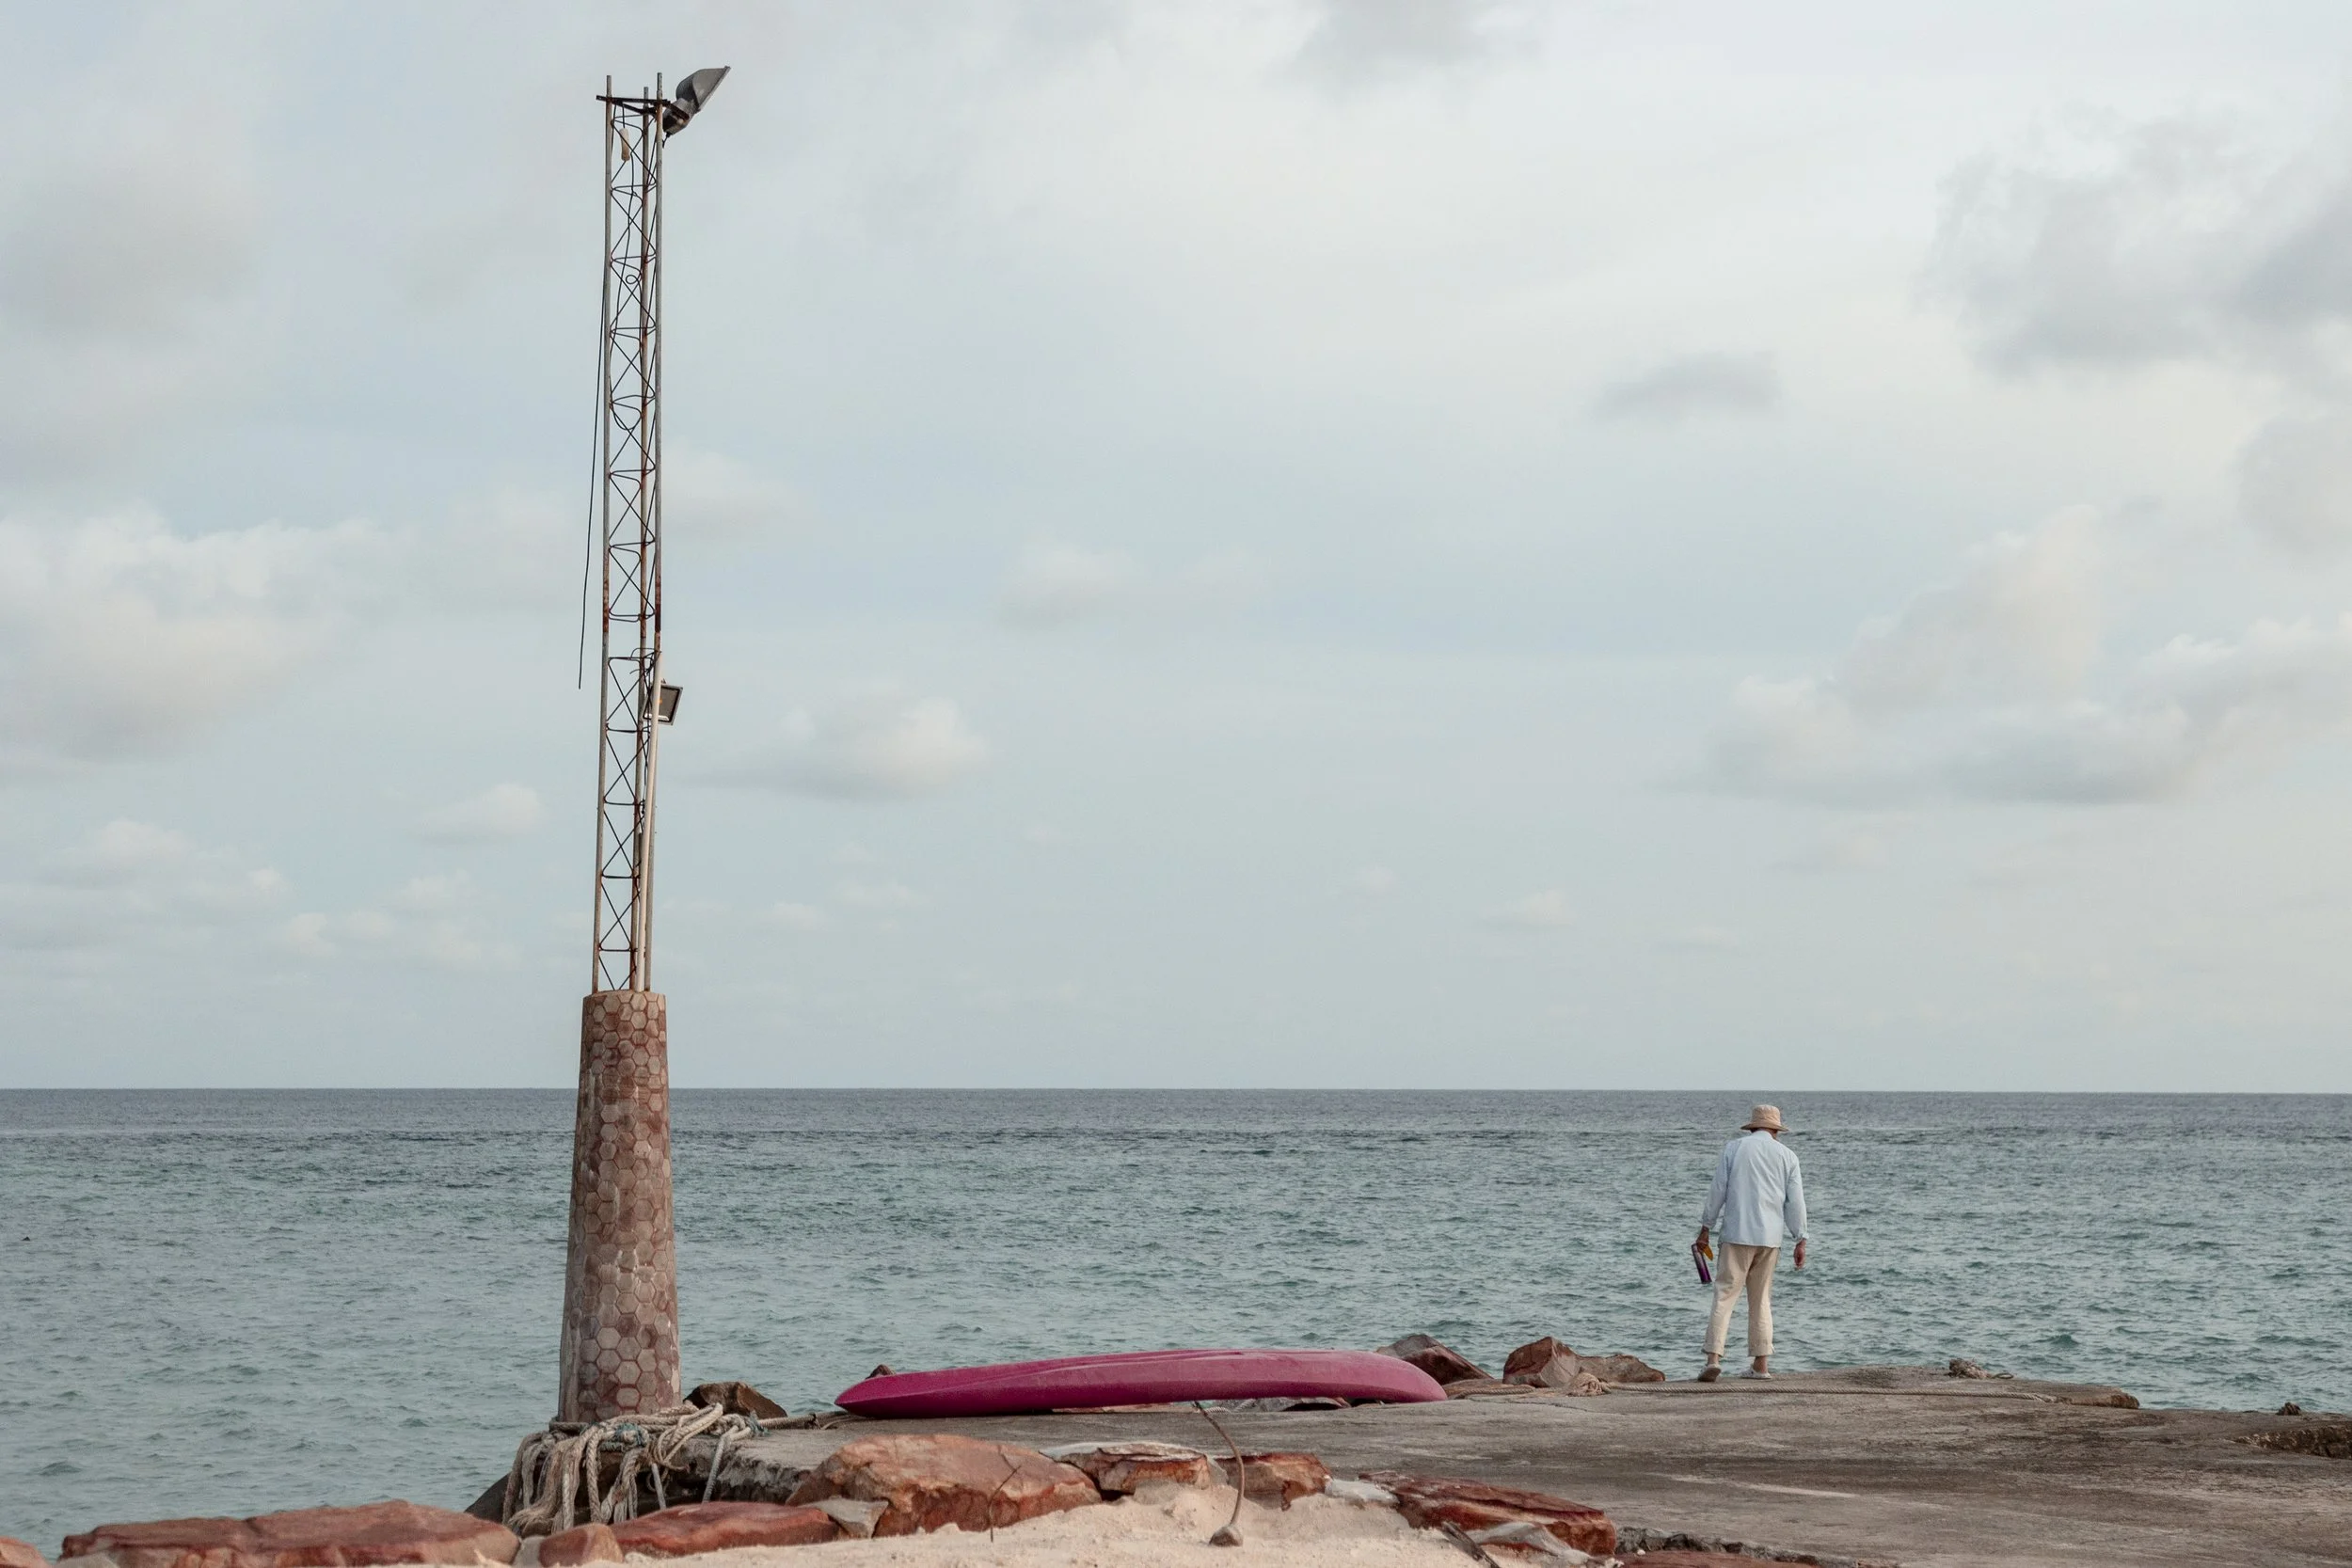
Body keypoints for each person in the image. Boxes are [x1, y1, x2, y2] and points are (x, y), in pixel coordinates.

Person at [1693, 1102, 1808, 1382]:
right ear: (1775, 1130)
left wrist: (1706, 1226)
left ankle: (1713, 1358)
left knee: (1724, 1295)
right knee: (1761, 1300)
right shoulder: (1787, 1156)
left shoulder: (1734, 1149)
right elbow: (1795, 1202)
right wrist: (1800, 1238)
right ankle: (1761, 1365)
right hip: (1770, 1238)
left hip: (1736, 1233)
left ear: (1753, 1126)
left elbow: (1718, 1190)